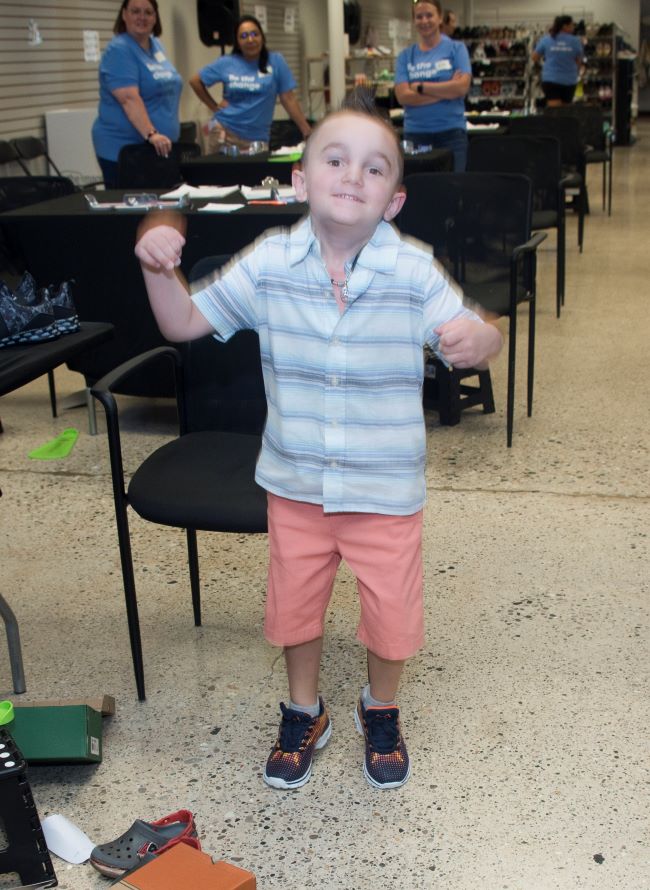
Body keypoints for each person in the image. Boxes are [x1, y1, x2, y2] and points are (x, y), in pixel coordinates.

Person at [134, 91, 503, 792]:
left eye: (374, 169)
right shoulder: (271, 262)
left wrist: (481, 338)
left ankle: (381, 706)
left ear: (392, 200)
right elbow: (181, 322)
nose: (352, 176)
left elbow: (479, 331)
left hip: (384, 491)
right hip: (297, 485)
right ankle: (306, 710)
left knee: (392, 618)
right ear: (302, 180)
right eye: (336, 159)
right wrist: (158, 266)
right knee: (293, 610)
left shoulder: (413, 270)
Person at [92, 0, 182, 188]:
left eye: (148, 12)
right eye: (135, 11)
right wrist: (151, 134)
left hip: (156, 150)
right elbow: (128, 98)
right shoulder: (119, 50)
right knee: (133, 213)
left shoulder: (156, 46)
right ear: (124, 14)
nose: (142, 17)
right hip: (126, 149)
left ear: (155, 17)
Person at [189, 15, 311, 153]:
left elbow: (288, 98)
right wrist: (215, 108)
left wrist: (306, 130)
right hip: (225, 132)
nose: (250, 39)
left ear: (262, 37)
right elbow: (195, 81)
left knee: (257, 174)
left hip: (258, 138)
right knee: (221, 175)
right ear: (237, 41)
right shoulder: (227, 62)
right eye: (244, 36)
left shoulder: (276, 61)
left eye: (255, 34)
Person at [394, 0, 471, 171]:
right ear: (414, 20)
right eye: (419, 16)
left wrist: (421, 87)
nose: (424, 21)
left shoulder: (457, 49)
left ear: (440, 17)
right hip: (416, 136)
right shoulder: (405, 56)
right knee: (420, 192)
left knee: (454, 191)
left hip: (452, 134)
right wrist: (447, 87)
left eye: (429, 15)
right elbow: (403, 96)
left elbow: (461, 88)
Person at [532, 16, 584, 107]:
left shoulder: (546, 39)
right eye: (572, 25)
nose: (573, 27)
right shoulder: (575, 41)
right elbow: (578, 61)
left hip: (551, 79)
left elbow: (534, 57)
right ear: (565, 26)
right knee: (565, 113)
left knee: (554, 113)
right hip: (569, 80)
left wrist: (548, 57)